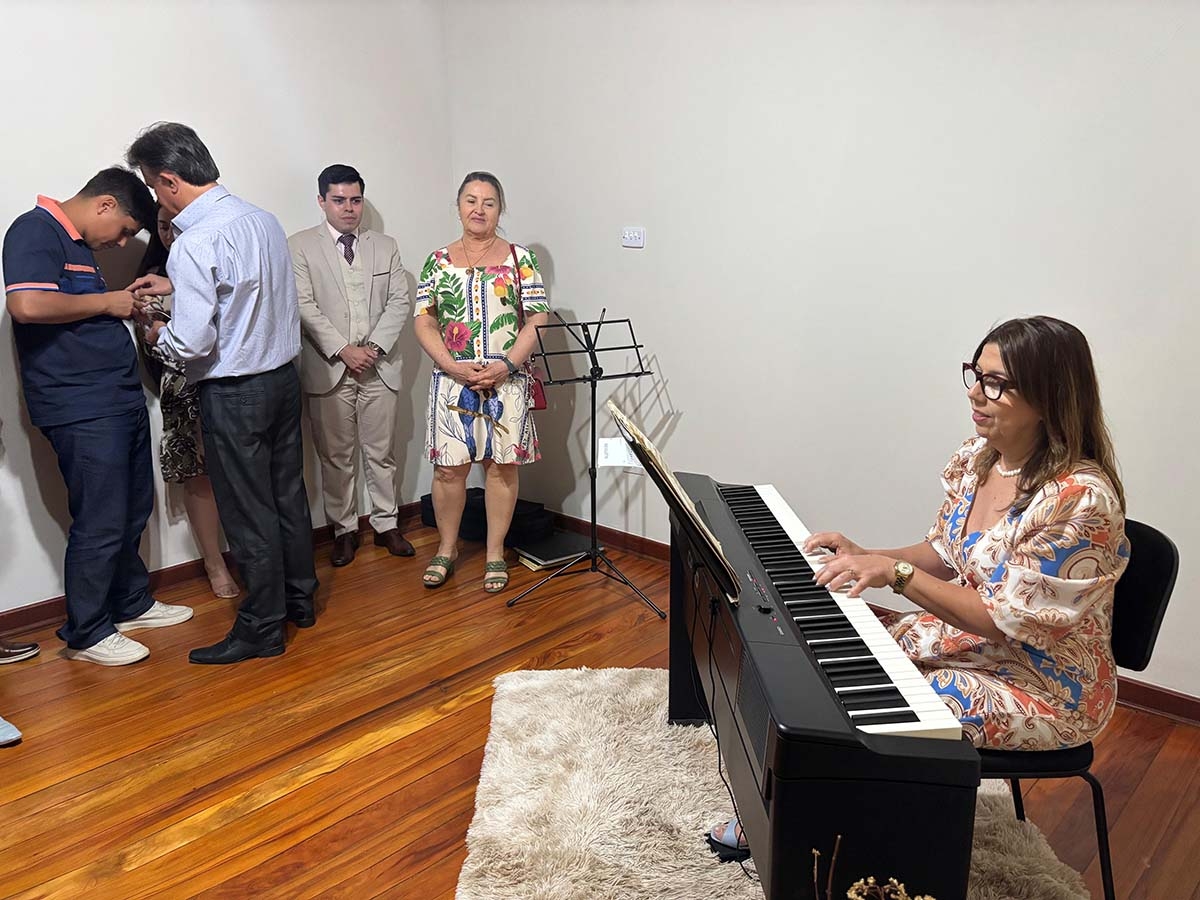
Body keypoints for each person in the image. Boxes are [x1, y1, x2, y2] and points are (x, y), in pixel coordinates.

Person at [709, 315, 1129, 855]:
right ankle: (801, 806)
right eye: (975, 374)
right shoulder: (980, 458)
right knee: (824, 638)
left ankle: (818, 832)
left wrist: (896, 576)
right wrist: (866, 556)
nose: (975, 393)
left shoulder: (1079, 500)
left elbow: (1004, 621)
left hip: (1047, 684)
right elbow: (941, 552)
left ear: (1049, 397)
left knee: (882, 710)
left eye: (996, 384)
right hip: (968, 640)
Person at [127, 123, 318, 665]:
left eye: (153, 185)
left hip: (235, 393)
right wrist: (177, 286)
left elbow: (193, 342)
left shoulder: (194, 242)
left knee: (247, 511)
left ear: (170, 180)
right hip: (283, 379)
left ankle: (262, 628)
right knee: (288, 496)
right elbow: (247, 288)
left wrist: (156, 333)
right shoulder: (262, 219)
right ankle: (299, 601)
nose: (157, 197)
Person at [3, 169, 194, 667]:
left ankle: (130, 603)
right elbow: (26, 305)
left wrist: (123, 309)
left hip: (115, 397)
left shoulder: (81, 245)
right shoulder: (35, 229)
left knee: (133, 506)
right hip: (79, 404)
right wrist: (108, 302)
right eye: (126, 230)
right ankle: (87, 632)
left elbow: (75, 312)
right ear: (105, 204)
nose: (123, 243)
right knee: (101, 516)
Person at [414, 172, 549, 593]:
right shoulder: (437, 260)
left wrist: (507, 364)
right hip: (452, 381)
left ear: (500, 209)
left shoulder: (521, 259)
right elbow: (424, 320)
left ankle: (494, 553)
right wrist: (451, 365)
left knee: (502, 468)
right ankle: (447, 548)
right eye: (471, 200)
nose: (479, 209)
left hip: (507, 381)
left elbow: (537, 318)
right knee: (448, 470)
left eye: (488, 202)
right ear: (458, 206)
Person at [290, 164, 414, 567]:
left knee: (382, 452)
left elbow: (399, 300)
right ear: (322, 201)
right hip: (329, 367)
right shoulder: (300, 246)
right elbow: (303, 305)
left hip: (379, 365)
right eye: (339, 200)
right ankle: (343, 529)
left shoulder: (385, 245)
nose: (348, 208)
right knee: (335, 457)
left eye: (355, 200)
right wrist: (343, 349)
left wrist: (373, 348)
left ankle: (386, 524)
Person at [136, 205, 238, 598]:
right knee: (200, 479)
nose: (169, 234)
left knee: (240, 474)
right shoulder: (151, 280)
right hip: (183, 392)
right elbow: (155, 343)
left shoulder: (217, 263)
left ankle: (249, 557)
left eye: (175, 226)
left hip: (229, 383)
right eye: (162, 226)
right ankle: (214, 564)